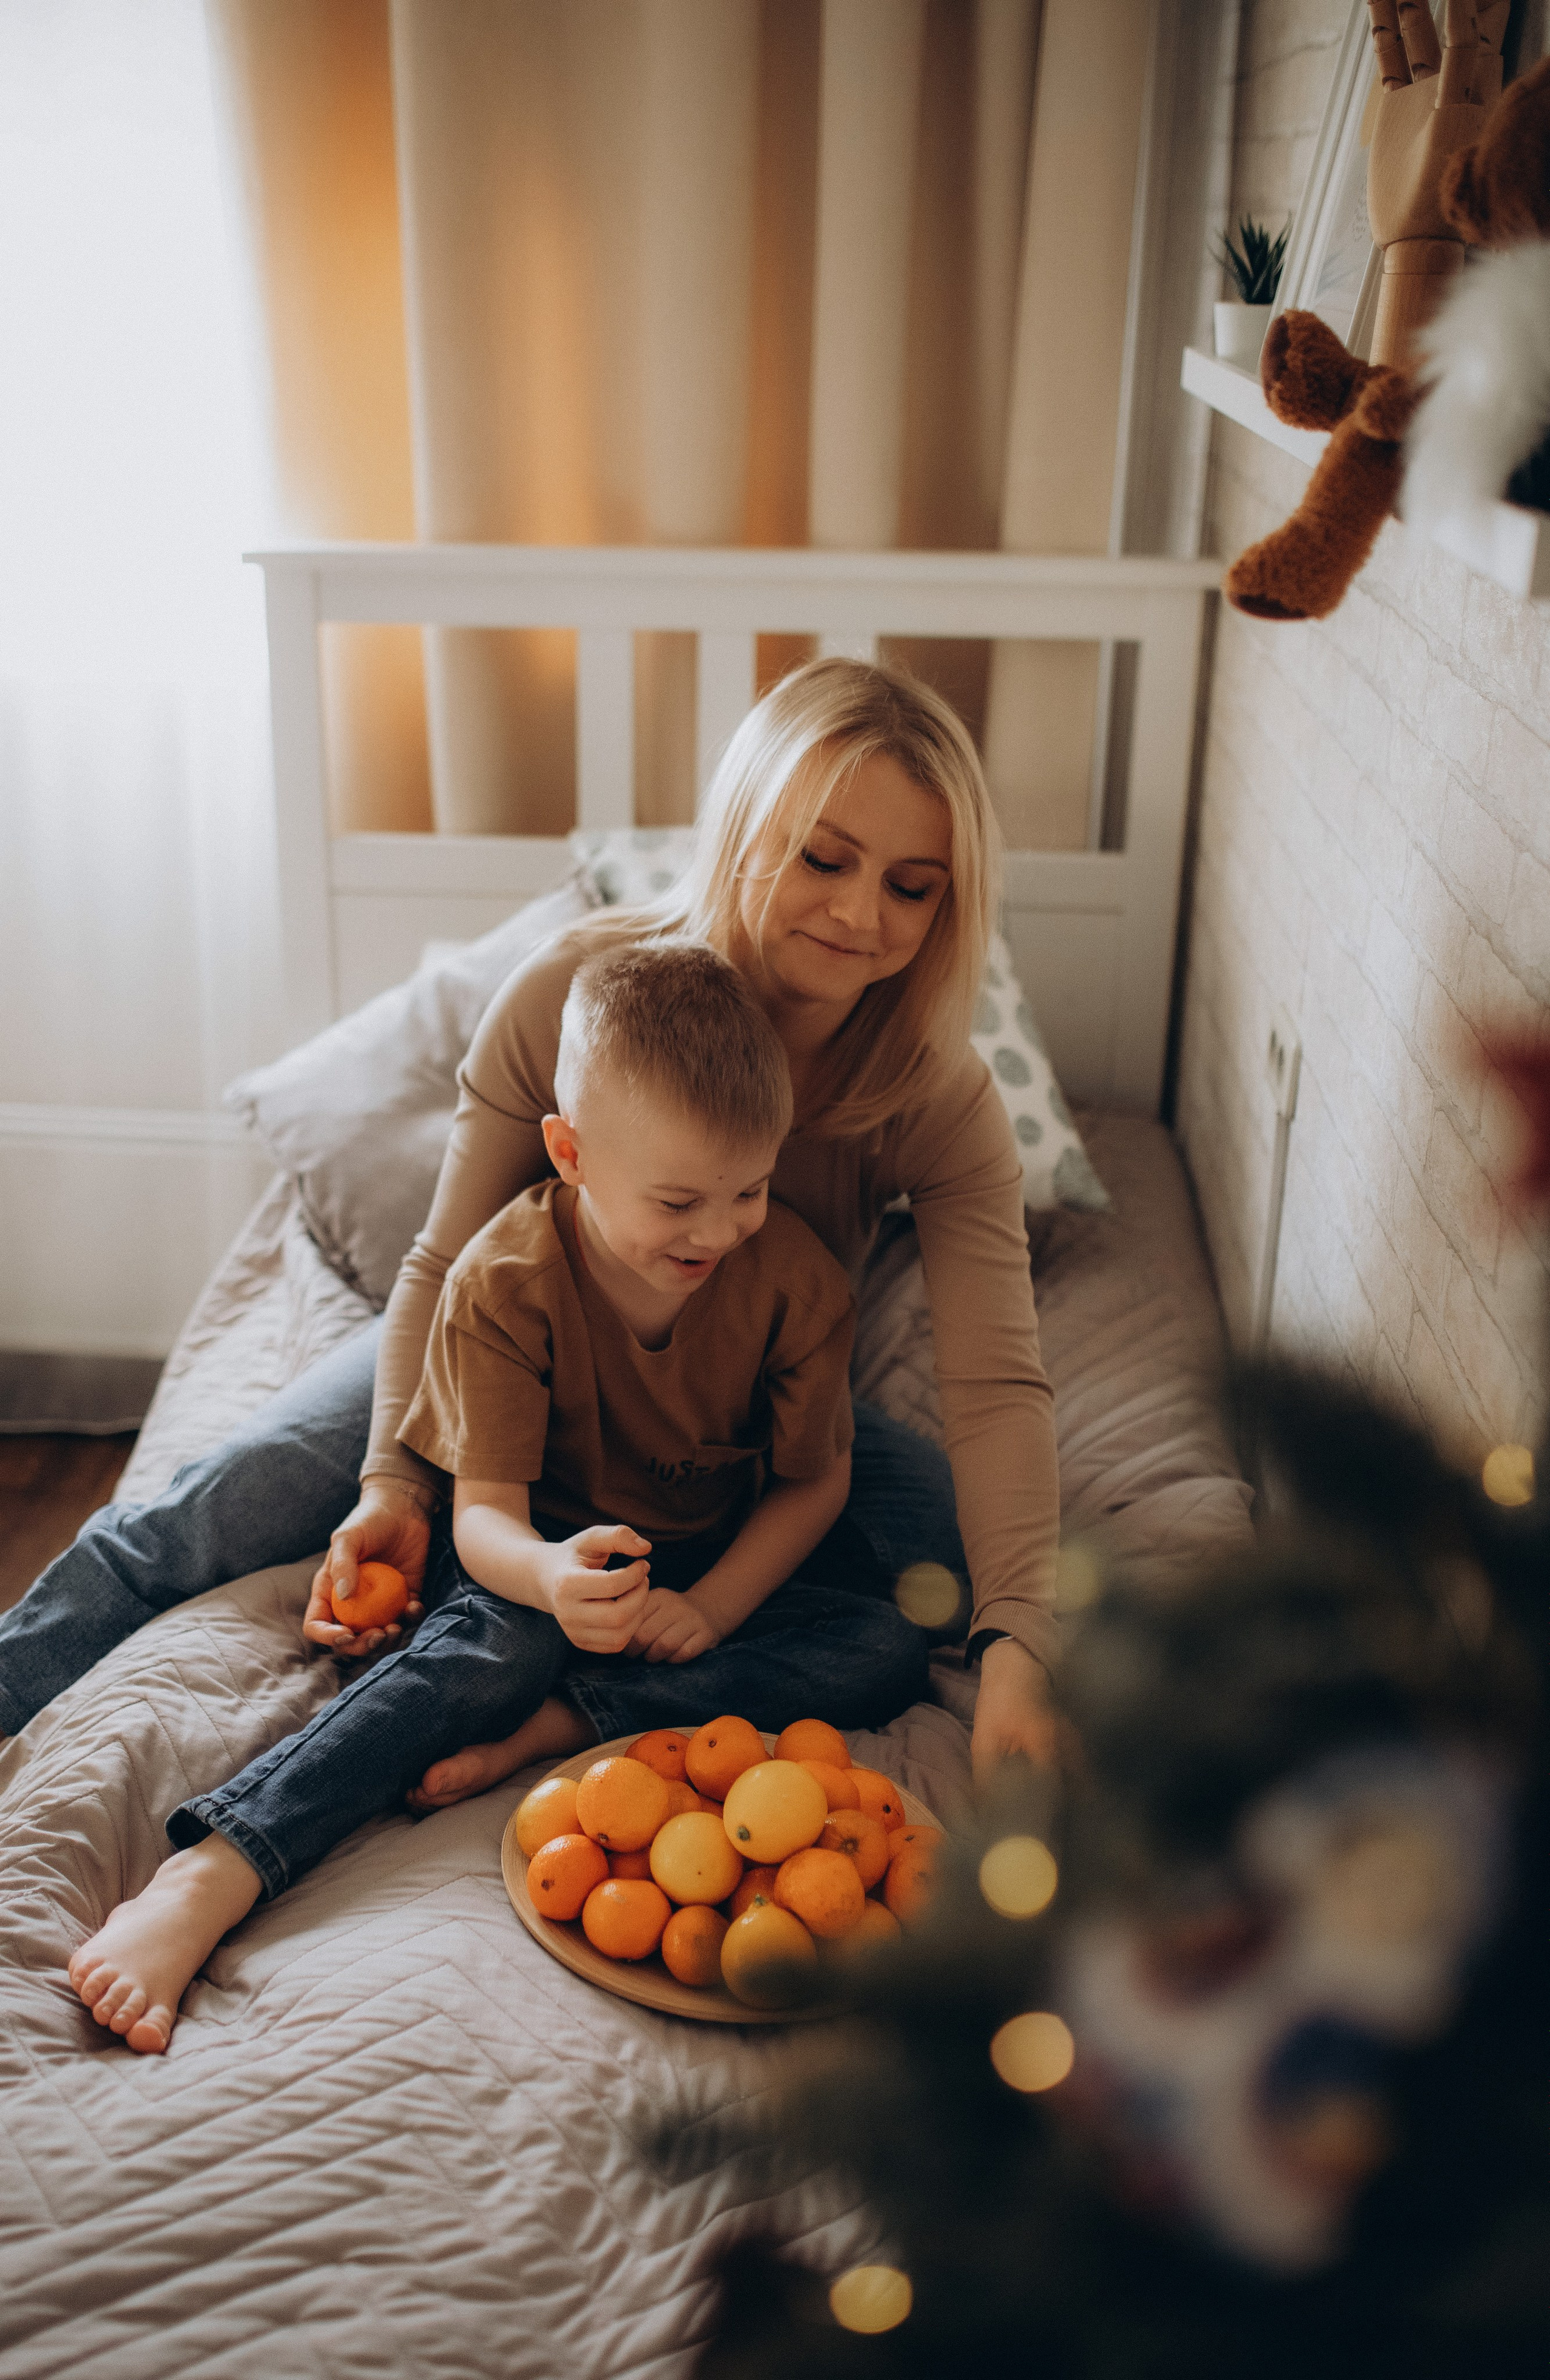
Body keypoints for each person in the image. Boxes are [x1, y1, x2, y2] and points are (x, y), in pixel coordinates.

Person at [0, 657, 1060, 1789]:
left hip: (734, 1398)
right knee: (225, 1505)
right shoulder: (571, 995)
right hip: (511, 1345)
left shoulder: (934, 1093)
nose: (860, 914)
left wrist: (1019, 1646)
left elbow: (995, 1383)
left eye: (913, 886)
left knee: (956, 1557)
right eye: (823, 859)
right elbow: (442, 1261)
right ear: (746, 829)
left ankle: (571, 1711)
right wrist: (396, 1483)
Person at [67, 942, 927, 2053]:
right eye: (678, 1201)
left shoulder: (796, 1283)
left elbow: (817, 1483)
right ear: (571, 1155)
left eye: (750, 1192)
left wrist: (711, 1608)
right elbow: (481, 1519)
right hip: (537, 1557)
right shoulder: (505, 1282)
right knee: (494, 1649)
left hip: (709, 1564)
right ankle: (217, 1868)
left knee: (887, 1643)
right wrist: (552, 1579)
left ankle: (560, 1728)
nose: (718, 1231)